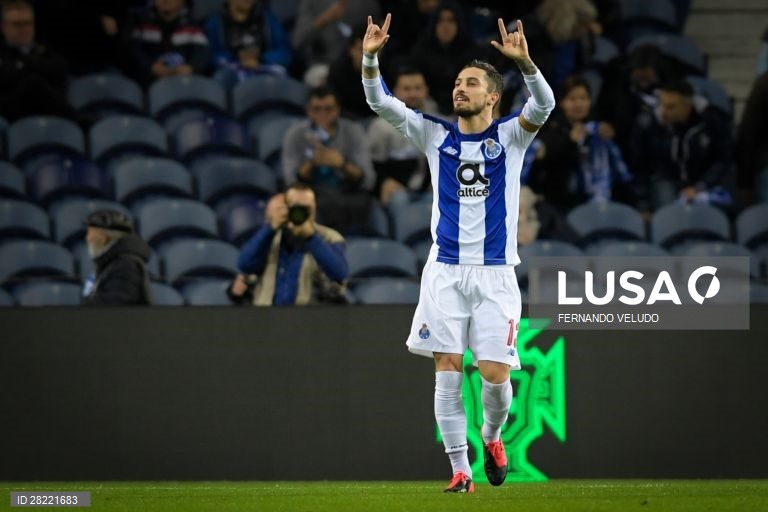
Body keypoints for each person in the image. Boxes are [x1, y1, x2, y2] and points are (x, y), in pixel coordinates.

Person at [362, 14, 555, 492]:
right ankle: (459, 470)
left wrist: (526, 63)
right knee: (447, 371)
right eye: (457, 83)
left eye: (471, 83)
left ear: (492, 96)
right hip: (444, 271)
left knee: (493, 377)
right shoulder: (434, 135)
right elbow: (379, 101)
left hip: (495, 275)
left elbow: (545, 104)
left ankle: (491, 437)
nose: (459, 89)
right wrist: (370, 59)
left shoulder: (512, 136)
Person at [524, 75, 633, 212]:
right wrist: (570, 142)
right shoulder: (549, 130)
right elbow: (545, 168)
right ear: (562, 102)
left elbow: (620, 170)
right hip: (560, 204)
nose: (579, 104)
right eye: (572, 99)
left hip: (598, 201)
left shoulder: (599, 130)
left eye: (583, 98)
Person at [281, 85, 376, 234]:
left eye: (328, 109)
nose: (322, 114)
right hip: (313, 194)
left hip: (348, 194)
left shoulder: (353, 131)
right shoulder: (296, 134)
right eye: (317, 109)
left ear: (338, 110)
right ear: (308, 110)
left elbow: (368, 180)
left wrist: (342, 164)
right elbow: (291, 181)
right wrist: (312, 162)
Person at [630, 79, 735, 211]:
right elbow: (640, 166)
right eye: (662, 105)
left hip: (704, 179)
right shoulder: (649, 125)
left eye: (671, 107)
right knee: (669, 211)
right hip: (664, 180)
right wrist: (643, 205)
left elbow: (723, 159)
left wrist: (700, 186)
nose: (663, 112)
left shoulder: (712, 120)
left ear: (687, 105)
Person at [234, 185, 348, 305]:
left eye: (307, 208)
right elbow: (244, 264)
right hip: (266, 316)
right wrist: (270, 229)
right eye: (296, 207)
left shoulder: (329, 237)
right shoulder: (269, 234)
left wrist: (311, 237)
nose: (301, 212)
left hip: (307, 317)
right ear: (286, 207)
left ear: (314, 209)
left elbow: (340, 273)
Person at [367, 66, 440, 204]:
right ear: (394, 91)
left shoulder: (437, 123)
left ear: (426, 91)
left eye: (418, 88)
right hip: (393, 189)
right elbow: (374, 165)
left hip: (428, 188)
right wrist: (385, 181)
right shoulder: (381, 126)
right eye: (407, 89)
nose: (413, 94)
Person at [0, 0, 77, 122]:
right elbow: (7, 77)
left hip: (50, 112)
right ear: (3, 26)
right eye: (17, 24)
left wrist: (24, 64)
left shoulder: (44, 48)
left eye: (28, 23)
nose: (24, 29)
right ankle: (75, 119)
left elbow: (61, 69)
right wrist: (36, 66)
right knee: (33, 83)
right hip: (12, 114)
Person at [203, 0, 292, 88]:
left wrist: (261, 58)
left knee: (283, 79)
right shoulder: (215, 22)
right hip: (232, 68)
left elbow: (285, 52)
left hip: (263, 66)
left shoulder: (268, 19)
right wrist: (237, 58)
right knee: (222, 78)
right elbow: (212, 55)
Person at [127, 0, 211, 85]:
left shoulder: (193, 25)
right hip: (147, 81)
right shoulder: (142, 22)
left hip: (185, 82)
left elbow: (202, 53)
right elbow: (134, 51)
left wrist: (191, 67)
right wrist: (150, 66)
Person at [81, 209, 152, 305]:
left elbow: (115, 307)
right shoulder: (111, 263)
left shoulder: (126, 266)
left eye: (89, 233)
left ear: (103, 238)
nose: (87, 238)